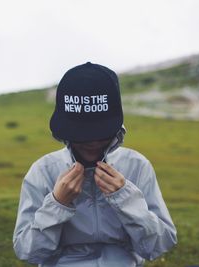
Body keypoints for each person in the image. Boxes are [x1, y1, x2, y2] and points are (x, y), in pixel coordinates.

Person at [13, 62, 177, 267]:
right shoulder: (43, 171)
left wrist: (126, 199)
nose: (92, 142)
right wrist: (57, 204)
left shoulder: (136, 166)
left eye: (100, 134)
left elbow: (159, 246)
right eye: (82, 135)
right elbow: (28, 252)